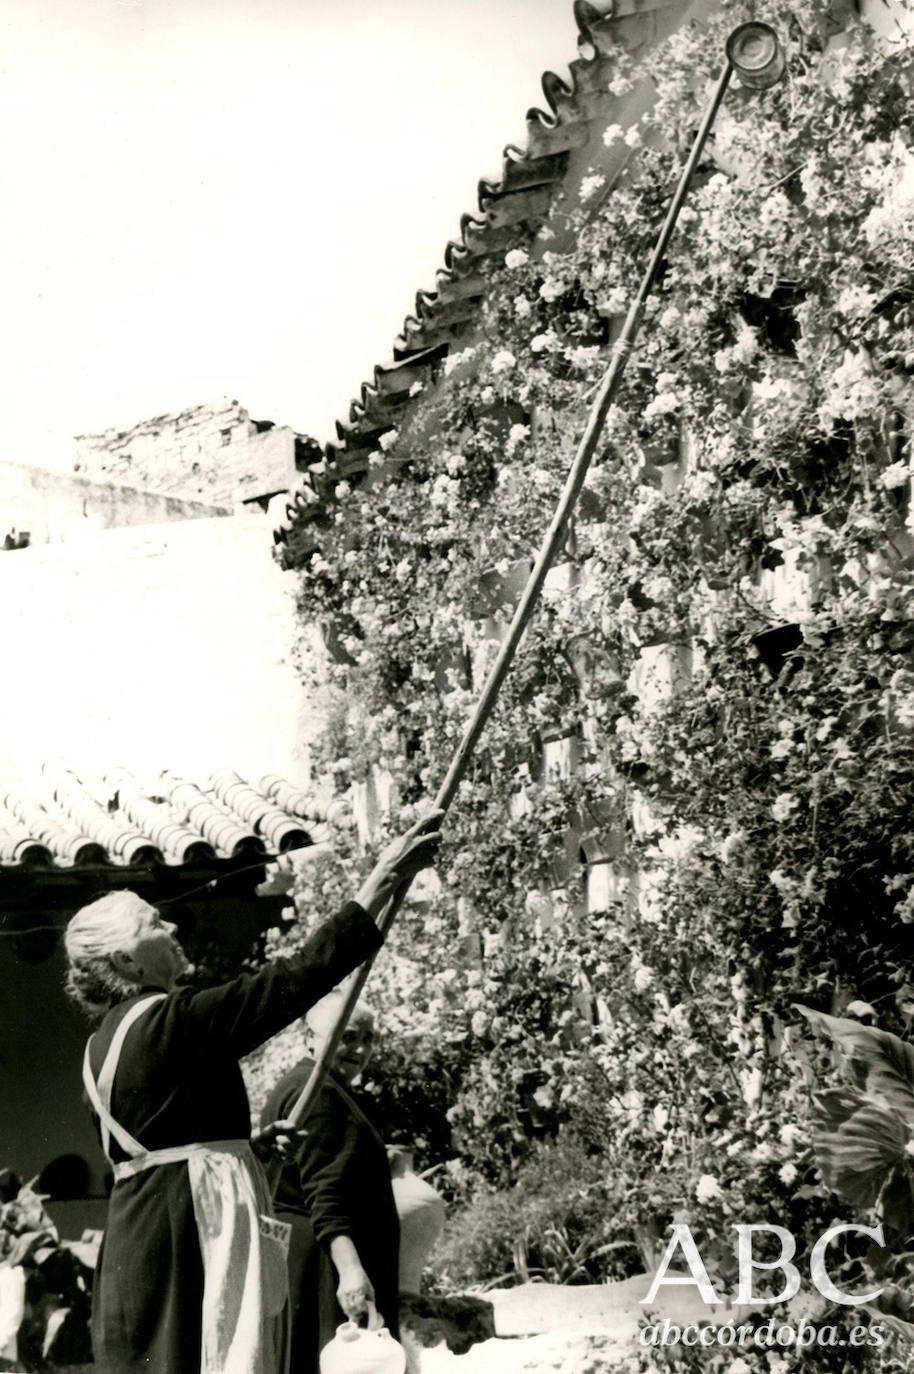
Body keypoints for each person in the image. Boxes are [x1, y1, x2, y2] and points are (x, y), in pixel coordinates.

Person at [64, 811, 441, 1374]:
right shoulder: (172, 1021)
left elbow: (158, 1140)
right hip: (191, 1235)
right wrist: (382, 877)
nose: (172, 927)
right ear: (125, 960)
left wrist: (248, 1149)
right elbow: (293, 979)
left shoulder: (101, 1046)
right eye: (154, 923)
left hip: (138, 1241)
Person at [262, 991, 400, 1372]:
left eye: (368, 1038)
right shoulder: (318, 1093)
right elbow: (326, 1193)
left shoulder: (312, 1084)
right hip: (324, 1268)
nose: (361, 1049)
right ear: (309, 1037)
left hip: (308, 1260)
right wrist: (351, 1270)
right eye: (348, 1036)